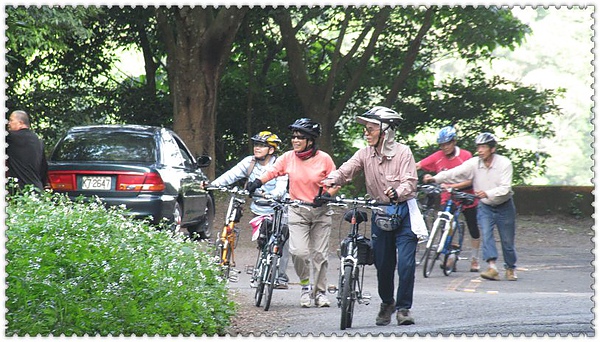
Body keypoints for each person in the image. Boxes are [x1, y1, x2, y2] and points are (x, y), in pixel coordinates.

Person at [322, 106, 428, 326]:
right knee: (383, 264)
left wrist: (396, 192)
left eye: (371, 129)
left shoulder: (403, 152)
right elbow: (346, 170)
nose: (366, 133)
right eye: (366, 129)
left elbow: (410, 182)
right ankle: (387, 302)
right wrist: (332, 180)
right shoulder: (364, 154)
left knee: (406, 264)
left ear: (386, 130)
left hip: (404, 212)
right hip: (380, 213)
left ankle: (403, 308)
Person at [246, 118, 337, 308]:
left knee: (319, 254)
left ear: (310, 140)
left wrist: (327, 195)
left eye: (300, 137)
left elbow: (335, 181)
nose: (295, 140)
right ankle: (305, 287)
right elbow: (272, 171)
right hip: (297, 210)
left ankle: (320, 293)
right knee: (298, 252)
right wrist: (257, 182)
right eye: (293, 137)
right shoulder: (288, 157)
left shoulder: (324, 159)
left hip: (320, 212)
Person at [423, 132, 517, 281]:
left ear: (492, 149)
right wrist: (435, 178)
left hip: (504, 205)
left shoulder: (504, 163)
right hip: (485, 206)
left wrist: (487, 193)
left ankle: (510, 267)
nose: (480, 150)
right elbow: (455, 172)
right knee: (486, 235)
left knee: (507, 240)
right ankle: (492, 267)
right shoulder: (474, 163)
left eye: (484, 147)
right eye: (478, 147)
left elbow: (505, 188)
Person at [208, 131, 291, 288]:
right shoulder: (249, 162)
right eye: (256, 145)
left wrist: (270, 195)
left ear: (271, 150)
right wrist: (212, 185)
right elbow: (230, 175)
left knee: (281, 240)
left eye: (262, 145)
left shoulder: (279, 164)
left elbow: (281, 188)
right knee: (262, 241)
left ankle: (280, 277)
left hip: (278, 208)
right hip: (258, 208)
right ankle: (262, 270)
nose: (257, 148)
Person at [416, 126, 481, 272]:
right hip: (448, 196)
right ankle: (450, 252)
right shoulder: (438, 156)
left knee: (473, 227)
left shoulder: (465, 156)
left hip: (466, 195)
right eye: (442, 145)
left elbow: (471, 179)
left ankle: (475, 259)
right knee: (447, 224)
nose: (445, 147)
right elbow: (420, 165)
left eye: (448, 144)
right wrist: (426, 177)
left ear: (454, 142)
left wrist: (454, 186)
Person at [6, 110, 48, 192]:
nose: (8, 123)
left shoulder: (11, 138)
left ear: (20, 123)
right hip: (37, 190)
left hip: (20, 192)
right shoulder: (38, 140)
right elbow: (43, 168)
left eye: (11, 120)